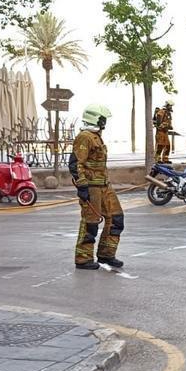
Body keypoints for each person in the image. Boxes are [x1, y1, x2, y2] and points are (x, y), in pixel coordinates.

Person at [70, 104, 124, 271]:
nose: (104, 122)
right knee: (90, 223)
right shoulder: (85, 137)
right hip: (92, 187)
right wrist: (82, 186)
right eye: (102, 119)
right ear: (95, 119)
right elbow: (76, 163)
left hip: (104, 185)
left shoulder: (95, 136)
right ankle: (83, 258)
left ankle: (106, 254)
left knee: (116, 219)